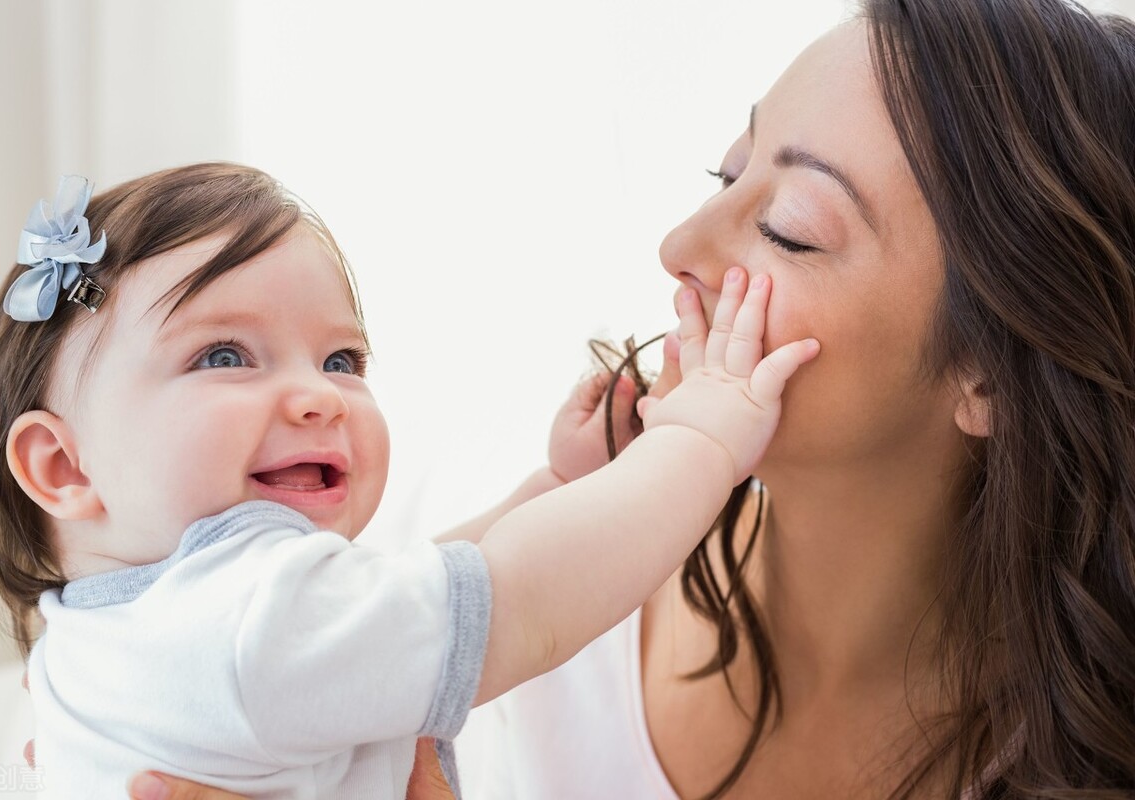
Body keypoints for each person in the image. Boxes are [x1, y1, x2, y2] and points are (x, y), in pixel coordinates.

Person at [120, 0, 1135, 797]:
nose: (679, 246)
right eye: (724, 174)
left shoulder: (1092, 741)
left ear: (990, 371)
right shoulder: (496, 585)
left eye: (787, 225)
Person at [0, 163, 819, 798]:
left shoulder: (102, 644)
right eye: (224, 356)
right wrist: (702, 437)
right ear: (63, 466)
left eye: (341, 360)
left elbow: (402, 592)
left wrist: (555, 486)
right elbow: (525, 602)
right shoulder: (250, 628)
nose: (317, 396)